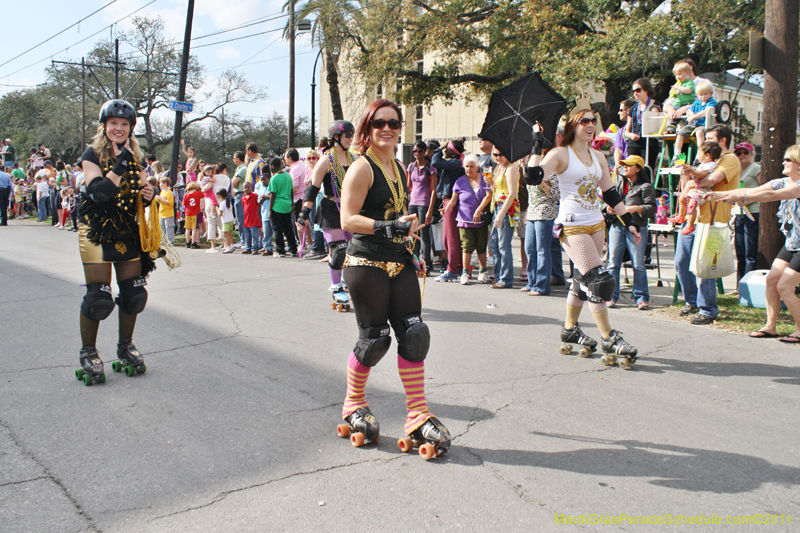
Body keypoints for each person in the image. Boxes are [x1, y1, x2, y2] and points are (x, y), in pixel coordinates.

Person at [339, 98, 451, 454]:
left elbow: (400, 219)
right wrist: (388, 227)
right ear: (368, 129)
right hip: (366, 262)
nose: (387, 129)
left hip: (397, 261)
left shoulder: (400, 168)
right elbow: (347, 219)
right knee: (375, 340)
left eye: (394, 123)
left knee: (414, 334)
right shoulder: (363, 168)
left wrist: (409, 250)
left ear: (401, 127)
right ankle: (353, 403)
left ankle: (417, 413)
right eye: (379, 123)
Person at [526, 103, 641, 363]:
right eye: (584, 121)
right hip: (572, 225)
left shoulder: (599, 157)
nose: (590, 125)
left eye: (593, 121)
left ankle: (569, 330)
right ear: (573, 126)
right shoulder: (560, 154)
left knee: (580, 280)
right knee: (597, 280)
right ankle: (609, 336)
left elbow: (611, 193)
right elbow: (533, 176)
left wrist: (628, 220)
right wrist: (536, 142)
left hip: (596, 224)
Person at [73, 99, 156, 385]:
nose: (119, 128)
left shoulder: (138, 157)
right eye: (113, 124)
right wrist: (121, 162)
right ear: (104, 126)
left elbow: (141, 191)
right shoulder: (91, 155)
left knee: (134, 294)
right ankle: (88, 352)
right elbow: (99, 193)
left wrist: (148, 196)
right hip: (96, 231)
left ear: (131, 128)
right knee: (98, 297)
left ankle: (125, 346)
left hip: (125, 230)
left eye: (124, 124)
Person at [706, 145, 799, 342]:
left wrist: (744, 197)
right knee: (772, 280)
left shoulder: (797, 186)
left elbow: (770, 196)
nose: (784, 162)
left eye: (788, 160)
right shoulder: (782, 181)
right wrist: (720, 195)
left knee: (784, 286)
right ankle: (770, 327)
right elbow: (754, 189)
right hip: (793, 242)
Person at [673, 124, 740, 325]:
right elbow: (688, 183)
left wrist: (693, 182)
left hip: (714, 220)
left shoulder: (729, 159)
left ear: (722, 141)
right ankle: (691, 301)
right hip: (694, 218)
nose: (704, 143)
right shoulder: (707, 160)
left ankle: (708, 309)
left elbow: (712, 179)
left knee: (705, 268)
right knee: (681, 262)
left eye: (709, 138)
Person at [296, 120, 357, 299]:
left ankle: (347, 282)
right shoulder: (326, 160)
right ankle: (336, 287)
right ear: (335, 137)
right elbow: (312, 189)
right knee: (338, 250)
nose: (350, 139)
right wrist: (304, 213)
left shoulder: (355, 159)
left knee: (353, 249)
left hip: (350, 208)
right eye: (347, 135)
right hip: (330, 207)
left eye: (352, 135)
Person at [604, 155, 657, 310]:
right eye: (623, 165)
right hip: (616, 226)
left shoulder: (646, 186)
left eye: (629, 165)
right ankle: (611, 297)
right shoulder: (618, 183)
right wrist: (607, 209)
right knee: (613, 262)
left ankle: (641, 298)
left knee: (638, 264)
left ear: (638, 168)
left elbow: (652, 208)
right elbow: (606, 201)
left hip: (636, 227)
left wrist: (636, 208)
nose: (624, 167)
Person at [443, 154, 491, 285]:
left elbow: (488, 196)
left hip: (480, 219)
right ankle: (465, 272)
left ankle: (482, 271)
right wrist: (446, 209)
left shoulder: (485, 179)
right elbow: (453, 200)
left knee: (481, 246)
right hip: (464, 220)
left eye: (471, 166)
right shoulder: (460, 181)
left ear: (477, 167)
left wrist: (479, 210)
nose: (469, 169)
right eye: (466, 166)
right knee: (466, 246)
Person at [670, 141, 722, 235]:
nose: (697, 155)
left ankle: (690, 225)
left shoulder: (711, 165)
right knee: (682, 198)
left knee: (692, 205)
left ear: (707, 156)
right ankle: (681, 216)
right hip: (696, 187)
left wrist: (691, 170)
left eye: (699, 153)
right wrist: (688, 171)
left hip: (703, 189)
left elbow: (701, 175)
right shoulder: (703, 164)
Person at [432, 139, 466, 281]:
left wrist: (438, 149)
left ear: (452, 152)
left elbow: (435, 162)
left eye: (447, 148)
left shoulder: (455, 163)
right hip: (448, 201)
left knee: (450, 237)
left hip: (451, 202)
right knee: (449, 237)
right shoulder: (455, 163)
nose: (445, 150)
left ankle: (452, 269)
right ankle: (456, 266)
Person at [486, 148, 520, 288]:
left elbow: (512, 193)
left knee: (503, 244)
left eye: (501, 154)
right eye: (495, 154)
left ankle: (506, 278)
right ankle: (500, 275)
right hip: (497, 206)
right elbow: (497, 190)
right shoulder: (498, 168)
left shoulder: (511, 168)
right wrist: (490, 182)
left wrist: (501, 214)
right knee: (493, 243)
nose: (498, 157)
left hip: (507, 208)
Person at [524, 162, 560, 295]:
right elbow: (531, 197)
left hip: (546, 212)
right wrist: (528, 212)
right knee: (529, 248)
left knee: (542, 250)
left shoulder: (552, 171)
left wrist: (542, 184)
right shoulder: (529, 171)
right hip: (532, 212)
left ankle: (541, 285)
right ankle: (531, 282)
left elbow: (557, 195)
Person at [731, 142, 761, 286]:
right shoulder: (737, 170)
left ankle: (749, 285)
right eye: (739, 153)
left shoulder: (756, 169)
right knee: (740, 252)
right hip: (739, 213)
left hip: (752, 213)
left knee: (750, 252)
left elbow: (765, 190)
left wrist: (749, 199)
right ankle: (739, 285)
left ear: (752, 153)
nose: (742, 155)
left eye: (746, 152)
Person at [406, 140, 438, 275]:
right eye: (415, 151)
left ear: (425, 152)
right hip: (412, 203)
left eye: (420, 151)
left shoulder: (430, 168)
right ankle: (415, 264)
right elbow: (408, 187)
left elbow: (434, 190)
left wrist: (430, 210)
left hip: (424, 203)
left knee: (424, 236)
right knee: (414, 234)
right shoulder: (411, 166)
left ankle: (427, 264)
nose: (417, 153)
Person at [672, 81, 717, 162]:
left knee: (699, 133)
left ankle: (699, 154)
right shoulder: (697, 103)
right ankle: (677, 154)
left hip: (705, 124)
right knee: (680, 133)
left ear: (710, 93)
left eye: (705, 94)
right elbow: (689, 110)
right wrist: (690, 113)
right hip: (694, 124)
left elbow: (706, 112)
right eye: (701, 94)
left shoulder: (711, 102)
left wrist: (694, 117)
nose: (703, 96)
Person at [624, 78, 660, 171]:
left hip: (649, 142)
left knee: (646, 169)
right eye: (633, 91)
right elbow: (627, 131)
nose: (635, 93)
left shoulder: (656, 105)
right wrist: (631, 135)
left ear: (646, 89)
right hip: (634, 143)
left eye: (638, 90)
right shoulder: (633, 109)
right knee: (631, 169)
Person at [267, 157, 297, 257]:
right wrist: (292, 204)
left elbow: (273, 195)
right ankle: (293, 249)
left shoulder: (274, 178)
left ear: (273, 166)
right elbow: (291, 191)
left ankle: (281, 250)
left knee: (278, 230)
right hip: (287, 205)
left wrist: (270, 210)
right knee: (289, 229)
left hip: (277, 206)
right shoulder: (288, 176)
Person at [303, 149, 327, 260]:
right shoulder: (308, 171)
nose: (311, 160)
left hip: (318, 197)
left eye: (314, 158)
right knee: (313, 223)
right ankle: (319, 248)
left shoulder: (318, 170)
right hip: (310, 199)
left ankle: (318, 248)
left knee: (317, 223)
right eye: (309, 158)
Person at [663, 62, 696, 135]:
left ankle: (688, 127)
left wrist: (678, 88)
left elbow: (688, 90)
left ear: (687, 73)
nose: (678, 77)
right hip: (677, 104)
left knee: (686, 116)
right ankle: (671, 128)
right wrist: (672, 92)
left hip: (686, 104)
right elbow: (672, 96)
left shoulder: (689, 82)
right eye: (676, 75)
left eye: (680, 74)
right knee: (673, 116)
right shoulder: (678, 84)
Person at [284, 148, 307, 246]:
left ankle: (302, 245)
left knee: (298, 223)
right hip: (305, 197)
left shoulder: (295, 169)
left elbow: (293, 187)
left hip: (298, 199)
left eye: (285, 157)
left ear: (289, 157)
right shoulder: (302, 165)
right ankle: (307, 243)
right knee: (305, 223)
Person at [199, 165, 219, 253]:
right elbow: (213, 180)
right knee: (213, 200)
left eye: (211, 172)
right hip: (208, 192)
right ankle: (212, 211)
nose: (209, 174)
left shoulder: (203, 178)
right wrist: (213, 176)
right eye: (208, 172)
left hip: (206, 193)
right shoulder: (206, 178)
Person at [613, 100, 636, 174]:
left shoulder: (637, 129)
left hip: (635, 165)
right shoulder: (620, 131)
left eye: (621, 110)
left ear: (628, 110)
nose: (618, 113)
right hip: (624, 166)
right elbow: (618, 149)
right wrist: (617, 163)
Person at [255, 172, 274, 256]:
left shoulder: (272, 187)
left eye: (264, 179)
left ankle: (278, 248)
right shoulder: (262, 188)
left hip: (273, 213)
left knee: (275, 232)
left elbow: (273, 196)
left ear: (269, 179)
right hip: (264, 214)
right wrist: (264, 196)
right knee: (266, 233)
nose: (262, 181)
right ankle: (267, 248)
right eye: (261, 179)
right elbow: (259, 200)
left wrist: (265, 196)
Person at [231, 151, 248, 249]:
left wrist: (234, 183)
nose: (233, 160)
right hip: (237, 194)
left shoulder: (243, 169)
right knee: (239, 218)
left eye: (234, 158)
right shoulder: (239, 169)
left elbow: (234, 182)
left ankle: (244, 240)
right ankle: (242, 239)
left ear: (238, 159)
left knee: (241, 218)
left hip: (240, 194)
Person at [240, 181, 261, 254]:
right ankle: (247, 248)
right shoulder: (243, 198)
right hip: (246, 220)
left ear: (251, 188)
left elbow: (259, 204)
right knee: (247, 235)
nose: (246, 189)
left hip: (254, 219)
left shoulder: (254, 196)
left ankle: (255, 248)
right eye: (245, 187)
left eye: (248, 187)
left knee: (255, 235)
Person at [182, 181, 203, 248]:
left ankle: (187, 242)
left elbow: (184, 204)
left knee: (187, 229)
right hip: (195, 213)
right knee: (194, 229)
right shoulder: (198, 194)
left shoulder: (186, 195)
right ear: (194, 188)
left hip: (188, 213)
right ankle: (193, 242)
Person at [157, 176, 176, 245]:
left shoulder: (169, 192)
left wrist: (161, 199)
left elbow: (170, 203)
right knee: (162, 227)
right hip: (161, 212)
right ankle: (163, 240)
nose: (159, 184)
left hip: (168, 213)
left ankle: (170, 241)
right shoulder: (162, 192)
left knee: (169, 227)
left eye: (161, 183)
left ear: (165, 183)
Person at [216, 188, 235, 253]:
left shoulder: (222, 204)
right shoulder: (228, 201)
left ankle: (228, 247)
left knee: (225, 234)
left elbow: (220, 214)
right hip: (230, 219)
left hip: (225, 220)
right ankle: (232, 245)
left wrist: (217, 209)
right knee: (229, 234)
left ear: (220, 196)